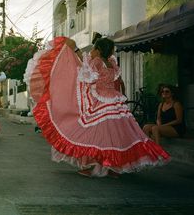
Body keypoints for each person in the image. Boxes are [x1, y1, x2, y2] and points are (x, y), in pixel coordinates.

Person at [25, 36, 170, 177]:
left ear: (99, 50)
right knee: (115, 136)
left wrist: (71, 68)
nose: (92, 51)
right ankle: (113, 167)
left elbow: (87, 79)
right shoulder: (111, 63)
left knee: (94, 136)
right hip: (115, 102)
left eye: (94, 48)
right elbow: (114, 82)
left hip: (101, 101)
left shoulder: (96, 62)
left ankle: (95, 166)